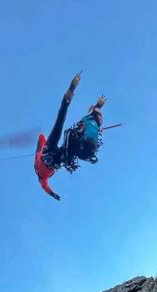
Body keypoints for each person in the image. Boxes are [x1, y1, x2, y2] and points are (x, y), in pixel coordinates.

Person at [34, 72, 106, 200]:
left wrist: (53, 194)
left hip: (50, 157)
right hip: (50, 155)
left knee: (61, 126)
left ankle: (74, 104)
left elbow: (45, 187)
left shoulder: (42, 177)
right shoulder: (41, 176)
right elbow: (40, 137)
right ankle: (70, 102)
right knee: (60, 122)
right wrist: (41, 144)